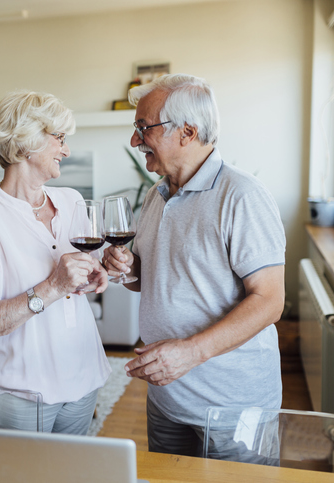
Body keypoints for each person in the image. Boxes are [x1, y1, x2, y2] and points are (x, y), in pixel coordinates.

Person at [103, 74, 286, 457]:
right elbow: (155, 276)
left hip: (231, 407)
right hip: (168, 400)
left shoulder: (243, 196)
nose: (135, 140)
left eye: (143, 128)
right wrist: (130, 267)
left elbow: (269, 301)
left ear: (187, 131)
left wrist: (190, 352)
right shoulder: (157, 194)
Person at [0, 90, 111, 434]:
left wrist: (102, 271)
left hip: (84, 376)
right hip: (22, 392)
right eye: (59, 138)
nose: (66, 149)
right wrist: (53, 286)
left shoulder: (71, 202)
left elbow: (85, 279)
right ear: (25, 143)